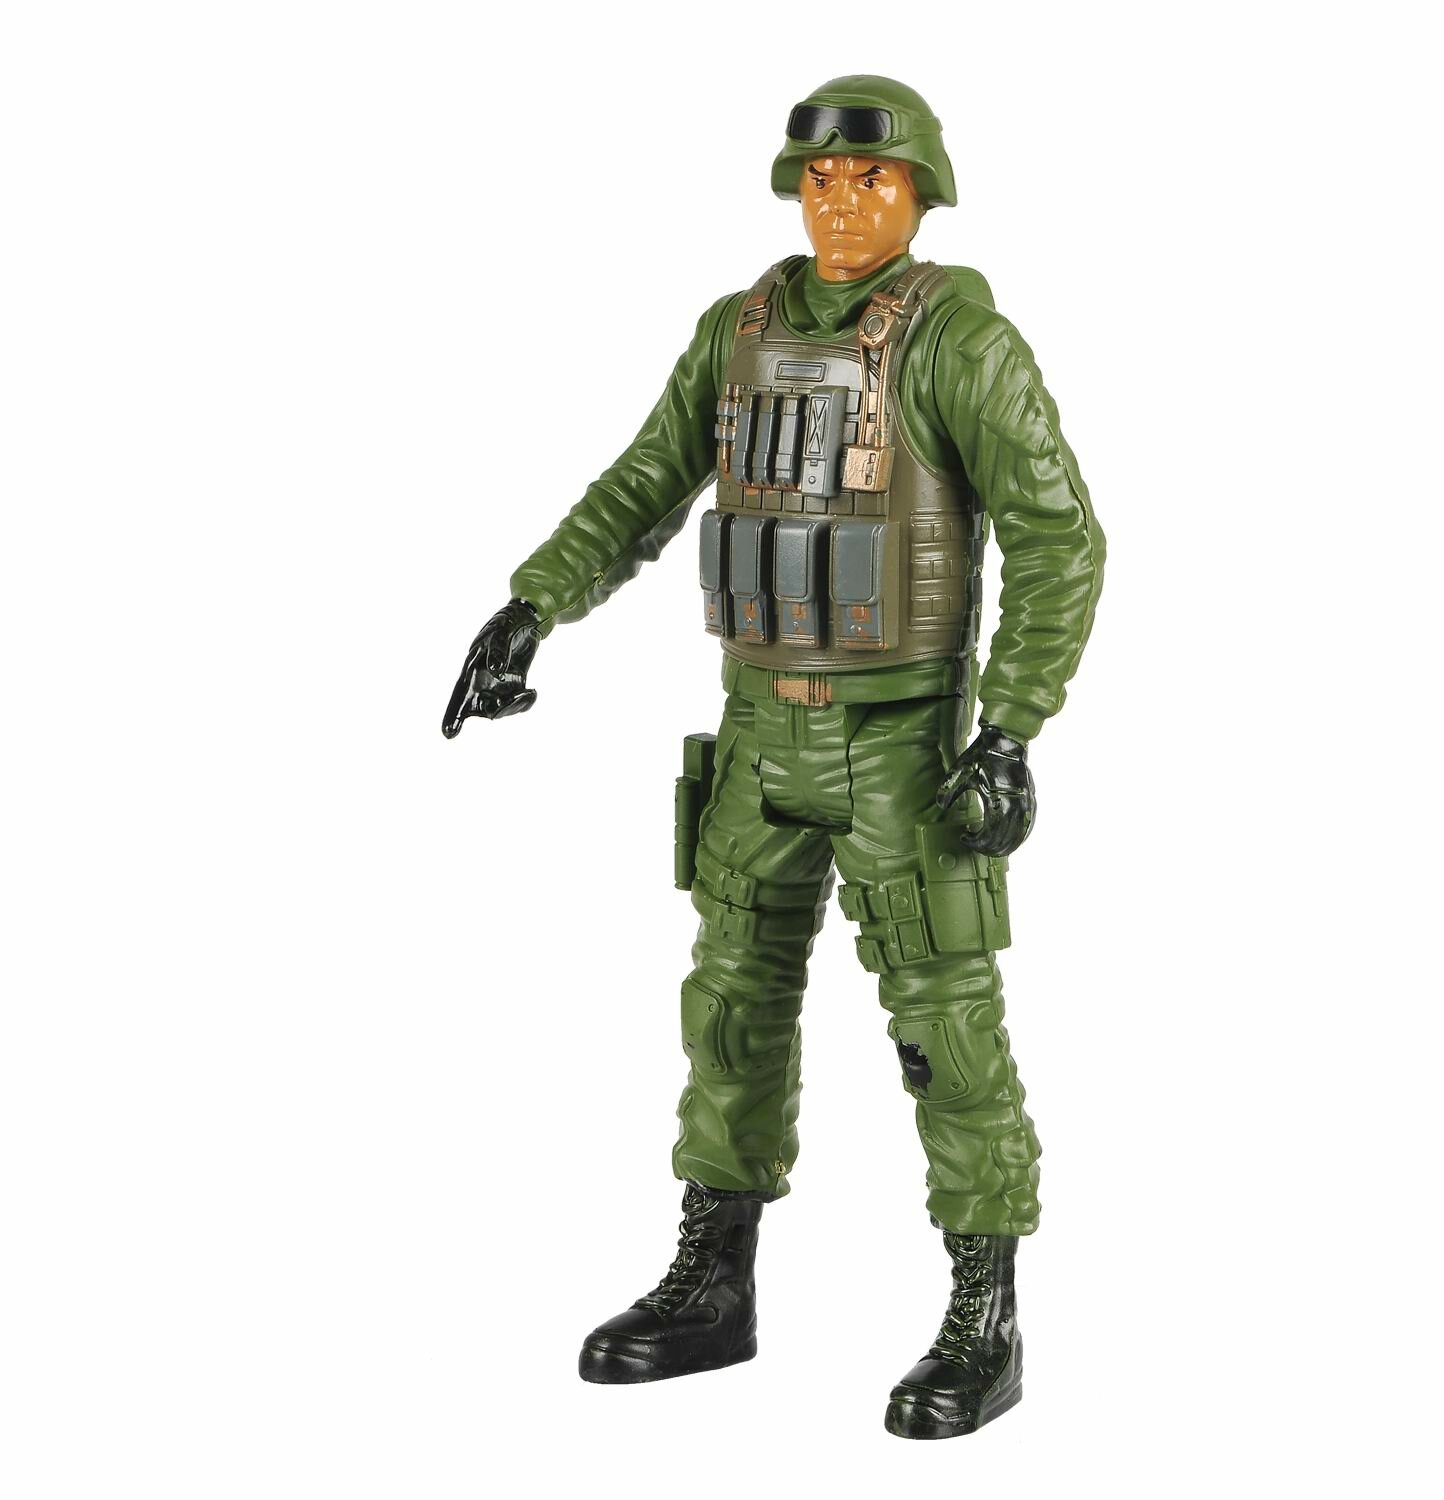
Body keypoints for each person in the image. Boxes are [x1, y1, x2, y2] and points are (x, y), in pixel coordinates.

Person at [442, 75, 1104, 1439]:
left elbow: (1061, 538)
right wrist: (532, 607)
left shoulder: (960, 343)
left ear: (921, 191)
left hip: (900, 745)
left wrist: (1010, 726)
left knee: (944, 1027)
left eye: (870, 179)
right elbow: (643, 482)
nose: (840, 203)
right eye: (818, 179)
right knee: (730, 1008)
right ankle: (714, 1280)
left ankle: (984, 1312)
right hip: (756, 730)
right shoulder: (735, 333)